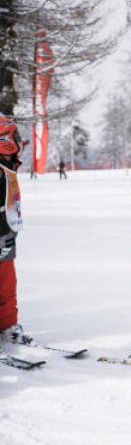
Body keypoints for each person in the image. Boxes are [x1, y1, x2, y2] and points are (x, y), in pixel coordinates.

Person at [0, 114, 34, 347]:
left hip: (6, 237)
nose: (20, 143)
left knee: (7, 287)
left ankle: (7, 327)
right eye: (16, 137)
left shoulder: (7, 167)